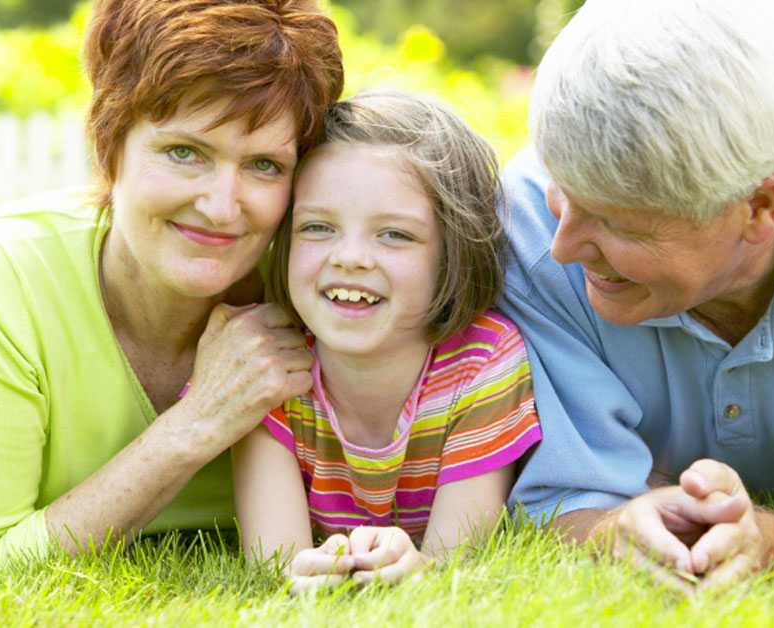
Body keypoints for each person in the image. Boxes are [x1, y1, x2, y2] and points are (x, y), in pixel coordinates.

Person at [0, 0, 344, 568]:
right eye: (184, 152)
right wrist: (197, 423)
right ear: (110, 144)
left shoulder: (327, 290)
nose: (222, 207)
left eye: (264, 165)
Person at [502, 0, 774, 593]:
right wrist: (614, 528)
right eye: (563, 190)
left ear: (760, 205)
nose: (562, 247)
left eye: (618, 222)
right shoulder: (527, 225)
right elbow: (561, 501)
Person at [232, 91, 542, 591]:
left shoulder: (482, 361)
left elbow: (454, 564)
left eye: (395, 235)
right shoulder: (268, 362)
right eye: (318, 227)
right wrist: (309, 573)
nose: (350, 257)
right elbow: (277, 567)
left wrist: (418, 569)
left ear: (454, 254)